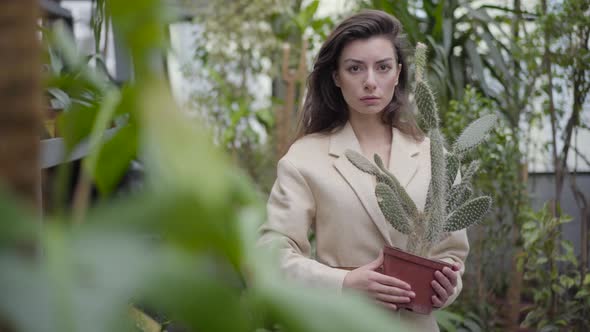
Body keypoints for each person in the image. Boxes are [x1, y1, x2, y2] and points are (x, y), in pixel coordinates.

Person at [258, 10, 469, 331]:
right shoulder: (304, 158)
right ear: (336, 76)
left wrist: (447, 288)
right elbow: (272, 254)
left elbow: (452, 254)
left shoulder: (434, 155)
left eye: (382, 67)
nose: (370, 81)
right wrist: (345, 281)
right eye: (355, 68)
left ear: (398, 73)